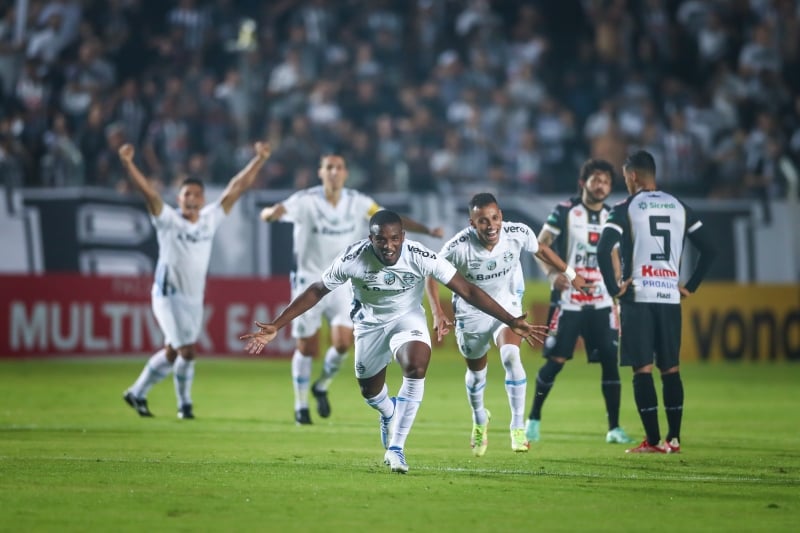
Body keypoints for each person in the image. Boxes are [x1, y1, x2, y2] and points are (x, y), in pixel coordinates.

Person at [241, 210, 548, 473]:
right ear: (370, 238)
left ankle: (396, 448)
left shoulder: (419, 255)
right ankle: (389, 412)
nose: (388, 246)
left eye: (394, 239)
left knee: (416, 365)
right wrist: (277, 325)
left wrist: (510, 319)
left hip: (407, 320)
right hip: (368, 326)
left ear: (402, 236)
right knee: (370, 392)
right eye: (380, 240)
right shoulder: (352, 258)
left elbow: (466, 290)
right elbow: (316, 291)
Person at [259, 154, 443, 425]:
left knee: (343, 343)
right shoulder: (305, 201)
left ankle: (321, 385)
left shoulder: (359, 202)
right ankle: (301, 407)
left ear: (345, 173)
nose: (334, 172)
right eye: (329, 168)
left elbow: (391, 220)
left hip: (347, 282)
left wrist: (426, 230)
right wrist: (269, 214)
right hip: (310, 281)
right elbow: (274, 212)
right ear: (320, 172)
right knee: (308, 348)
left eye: (339, 168)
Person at [426, 193, 586, 457]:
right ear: (472, 223)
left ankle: (517, 427)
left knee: (511, 357)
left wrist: (571, 274)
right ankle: (480, 420)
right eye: (483, 221)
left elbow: (542, 249)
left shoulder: (517, 233)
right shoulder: (458, 246)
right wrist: (437, 311)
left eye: (495, 218)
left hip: (508, 304)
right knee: (477, 373)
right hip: (471, 312)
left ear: (501, 215)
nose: (491, 226)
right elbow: (431, 272)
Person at [121, 141, 271, 419]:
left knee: (171, 351)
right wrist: (129, 163)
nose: (192, 198)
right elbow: (149, 193)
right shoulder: (168, 220)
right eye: (187, 194)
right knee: (187, 351)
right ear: (178, 199)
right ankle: (185, 405)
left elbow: (236, 187)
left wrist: (259, 160)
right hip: (166, 295)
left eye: (196, 194)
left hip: (193, 298)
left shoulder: (208, 220)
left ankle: (137, 392)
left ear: (202, 200)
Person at [597, 150, 715, 453]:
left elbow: (603, 249)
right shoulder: (679, 206)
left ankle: (651, 440)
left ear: (633, 176)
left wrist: (614, 288)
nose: (625, 182)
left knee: (642, 369)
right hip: (669, 297)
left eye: (625, 177)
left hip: (638, 297)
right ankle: (673, 439)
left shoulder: (625, 207)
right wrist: (690, 286)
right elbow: (710, 249)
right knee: (671, 369)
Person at [525, 159, 636, 445]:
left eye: (606, 182)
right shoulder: (565, 211)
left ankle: (614, 428)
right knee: (556, 361)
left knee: (611, 362)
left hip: (601, 300)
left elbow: (612, 256)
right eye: (596, 179)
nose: (601, 186)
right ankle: (533, 419)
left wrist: (617, 291)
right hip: (569, 300)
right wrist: (552, 275)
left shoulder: (613, 216)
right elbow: (541, 244)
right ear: (583, 182)